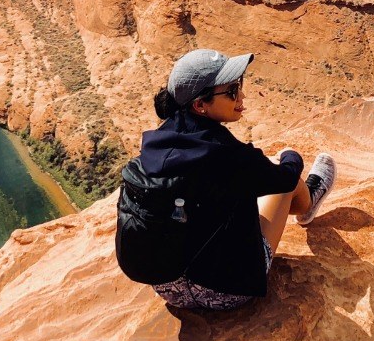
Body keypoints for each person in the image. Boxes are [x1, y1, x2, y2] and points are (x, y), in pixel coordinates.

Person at [119, 48, 336, 311]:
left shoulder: (155, 143)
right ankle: (309, 203)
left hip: (168, 287)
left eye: (239, 86)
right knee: (283, 181)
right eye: (232, 90)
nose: (241, 95)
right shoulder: (227, 155)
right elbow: (285, 179)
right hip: (227, 293)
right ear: (200, 105)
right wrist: (291, 156)